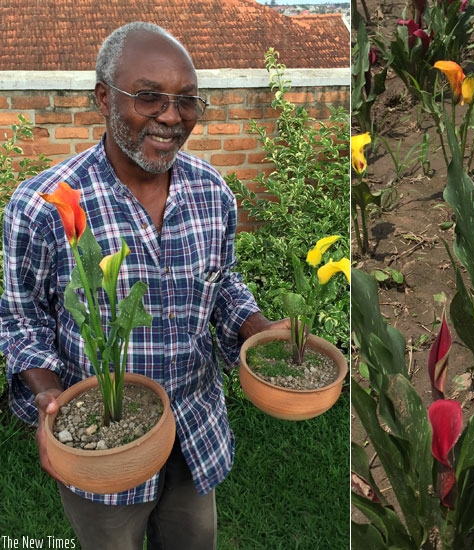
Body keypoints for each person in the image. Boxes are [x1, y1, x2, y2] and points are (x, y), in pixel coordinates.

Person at [0, 22, 284, 549]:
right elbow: (21, 319)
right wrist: (48, 398)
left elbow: (222, 285)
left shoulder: (211, 192)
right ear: (104, 98)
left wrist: (259, 328)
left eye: (187, 101)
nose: (172, 116)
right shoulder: (43, 205)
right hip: (102, 446)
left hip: (196, 427)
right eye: (149, 96)